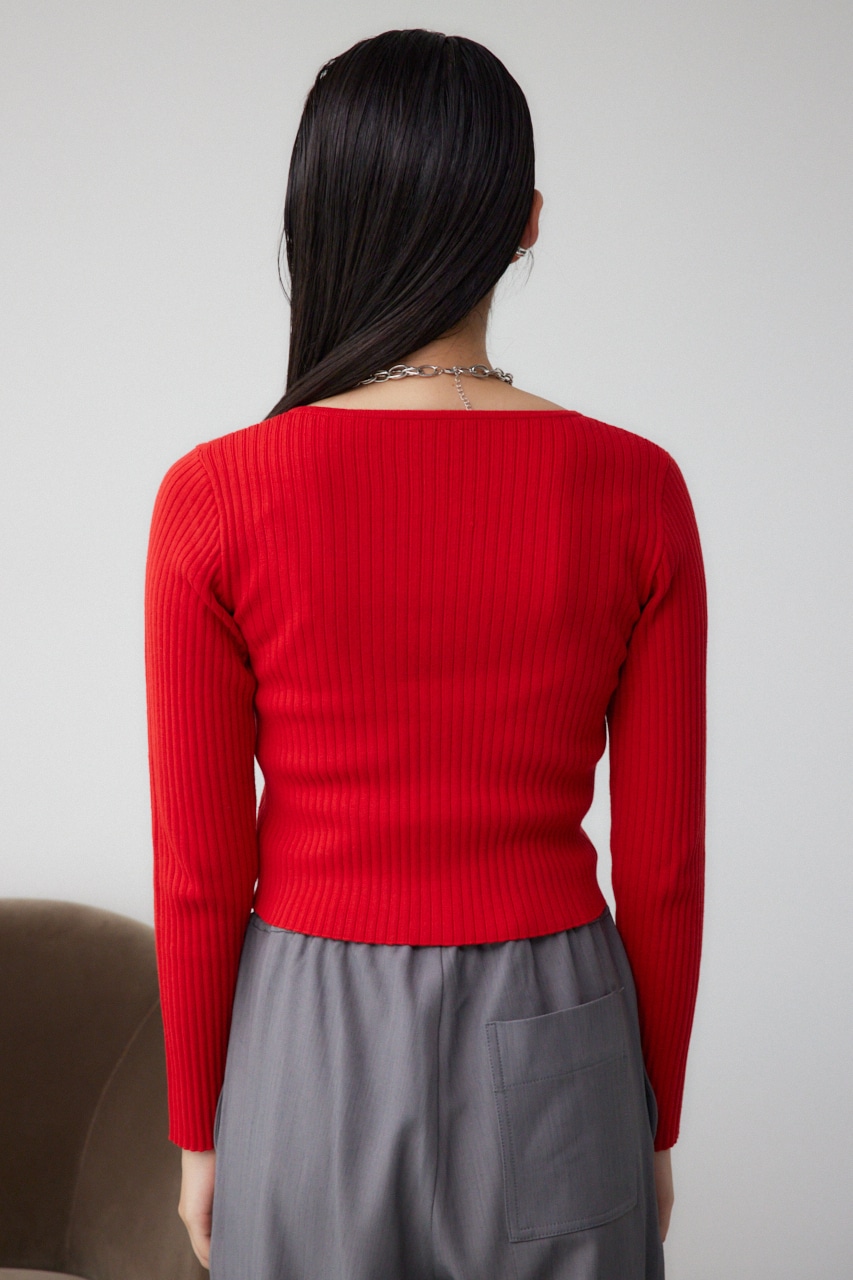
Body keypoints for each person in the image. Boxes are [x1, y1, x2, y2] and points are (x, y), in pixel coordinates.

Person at [144, 28, 706, 1280]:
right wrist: (653, 1115)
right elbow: (664, 865)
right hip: (561, 1025)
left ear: (312, 223)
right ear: (527, 223)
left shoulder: (216, 496)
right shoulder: (636, 488)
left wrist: (199, 1129)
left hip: (307, 1039)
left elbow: (198, 868)